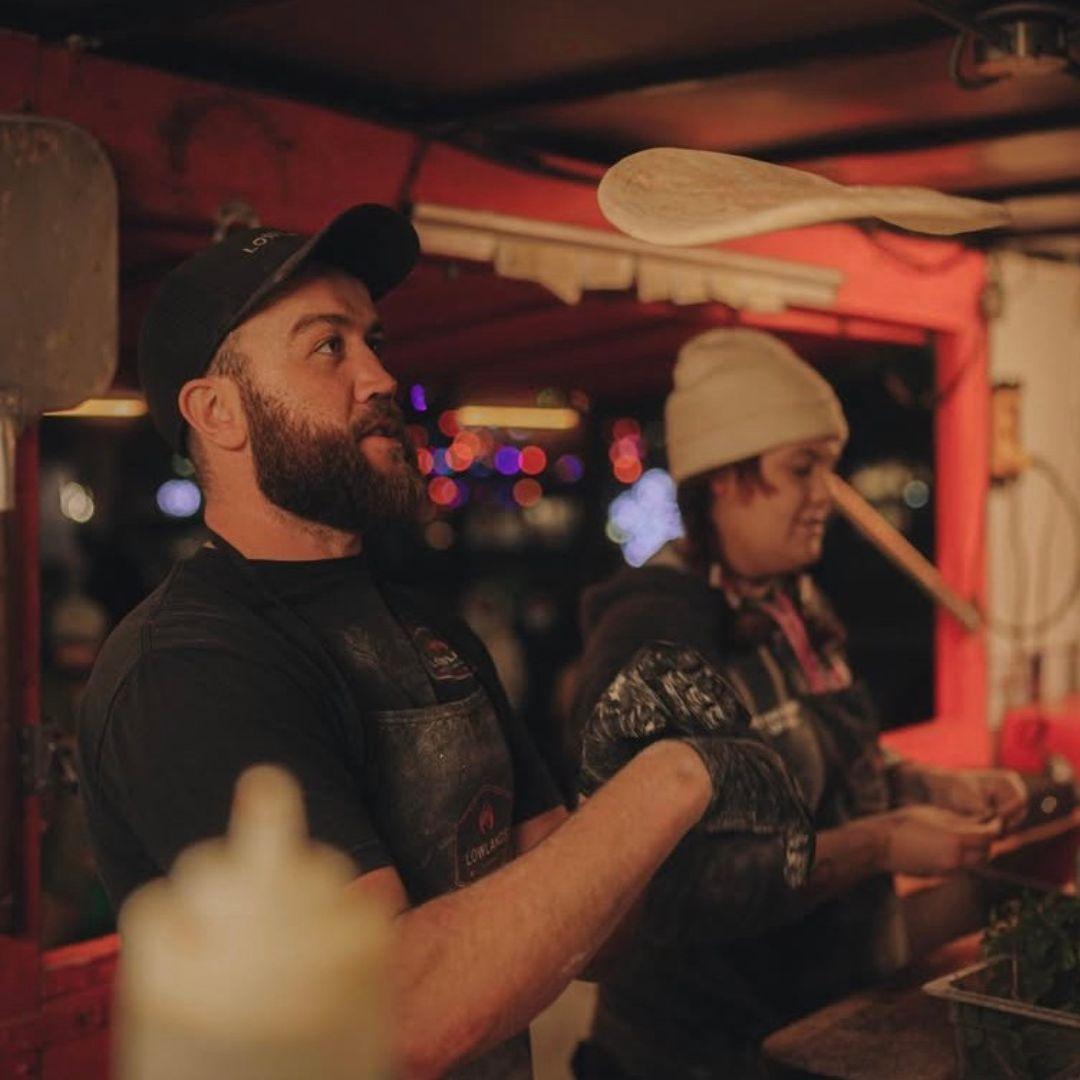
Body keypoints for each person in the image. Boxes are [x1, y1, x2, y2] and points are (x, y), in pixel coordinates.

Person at [76, 208, 813, 1080]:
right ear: (219, 411)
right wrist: (673, 778)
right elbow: (394, 1011)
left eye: (373, 341)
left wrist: (622, 786)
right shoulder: (190, 667)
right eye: (328, 348)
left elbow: (592, 938)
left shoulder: (430, 631)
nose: (382, 375)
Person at [570, 328, 1028, 1079]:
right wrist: (878, 844)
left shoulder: (790, 602)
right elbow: (676, 889)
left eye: (830, 467)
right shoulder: (654, 640)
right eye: (802, 469)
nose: (827, 496)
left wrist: (926, 784)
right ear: (723, 478)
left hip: (815, 1021)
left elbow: (835, 752)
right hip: (696, 1056)